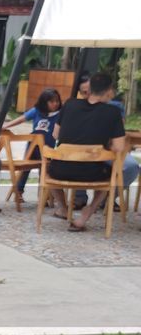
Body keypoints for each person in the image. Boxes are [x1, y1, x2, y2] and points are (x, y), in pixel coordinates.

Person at [47, 72, 139, 231]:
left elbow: (55, 135)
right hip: (92, 172)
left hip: (59, 171)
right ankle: (87, 213)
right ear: (109, 90)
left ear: (89, 90)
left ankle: (63, 208)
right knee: (112, 173)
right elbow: (118, 147)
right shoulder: (113, 112)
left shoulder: (69, 104)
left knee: (48, 168)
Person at [3, 87, 61, 204]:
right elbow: (21, 119)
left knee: (45, 170)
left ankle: (43, 195)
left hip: (48, 148)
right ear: (44, 102)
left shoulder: (59, 114)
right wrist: (6, 126)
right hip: (33, 146)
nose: (55, 104)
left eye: (57, 101)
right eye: (52, 101)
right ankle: (18, 191)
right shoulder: (37, 111)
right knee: (25, 169)